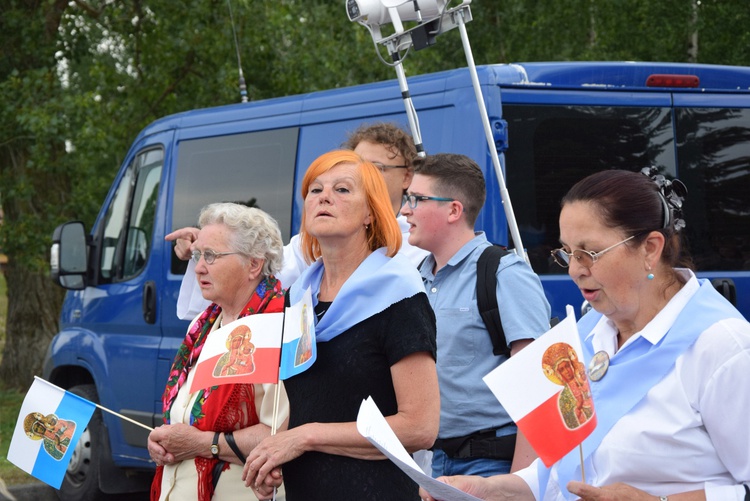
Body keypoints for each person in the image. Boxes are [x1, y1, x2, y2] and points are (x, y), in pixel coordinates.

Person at [419, 168, 750, 501]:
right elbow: (559, 472)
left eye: (589, 253)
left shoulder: (722, 346)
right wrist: (489, 489)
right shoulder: (585, 334)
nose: (576, 270)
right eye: (566, 252)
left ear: (650, 248)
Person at [241, 150, 440, 500]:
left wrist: (305, 436)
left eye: (343, 190)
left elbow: (420, 428)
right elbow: (309, 404)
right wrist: (272, 454)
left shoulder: (399, 296)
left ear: (370, 213)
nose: (324, 197)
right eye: (315, 190)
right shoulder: (298, 299)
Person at [168, 122, 428, 320]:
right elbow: (257, 274)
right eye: (315, 190)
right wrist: (207, 247)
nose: (326, 197)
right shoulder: (308, 252)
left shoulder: (419, 248)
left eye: (377, 168)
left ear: (407, 177)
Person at [400, 153, 551, 478]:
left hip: (490, 466)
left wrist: (518, 487)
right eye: (406, 198)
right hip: (428, 464)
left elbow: (540, 387)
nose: (404, 210)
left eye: (417, 199)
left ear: (454, 210)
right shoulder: (415, 280)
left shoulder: (504, 274)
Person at [148, 203, 289, 501]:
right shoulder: (203, 325)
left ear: (253, 264)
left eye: (211, 256)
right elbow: (185, 420)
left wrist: (203, 444)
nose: (198, 266)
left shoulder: (278, 328)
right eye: (199, 255)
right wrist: (162, 442)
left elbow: (281, 434)